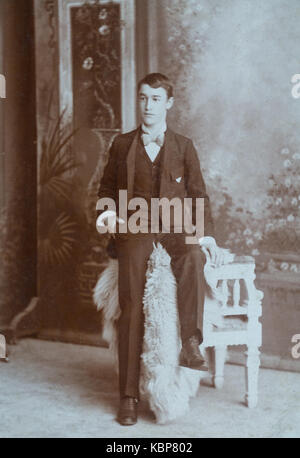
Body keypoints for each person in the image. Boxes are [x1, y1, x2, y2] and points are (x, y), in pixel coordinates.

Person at [96, 73, 224, 426]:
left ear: (168, 103)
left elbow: (198, 194)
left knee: (194, 255)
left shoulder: (184, 146)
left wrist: (206, 236)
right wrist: (108, 214)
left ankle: (190, 342)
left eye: (155, 99)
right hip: (135, 227)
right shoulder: (122, 145)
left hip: (174, 226)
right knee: (132, 299)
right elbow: (106, 187)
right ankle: (128, 396)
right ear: (138, 101)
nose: (148, 106)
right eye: (143, 98)